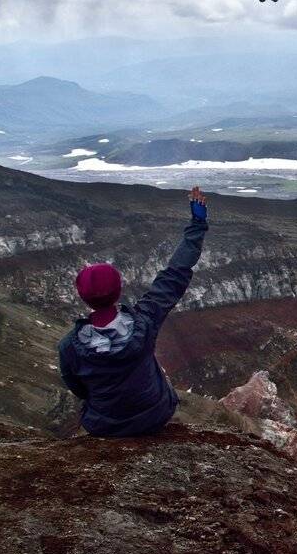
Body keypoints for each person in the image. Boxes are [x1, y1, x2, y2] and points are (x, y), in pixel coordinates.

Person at [57, 187, 209, 437]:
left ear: (83, 298)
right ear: (119, 290)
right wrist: (197, 224)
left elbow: (77, 387)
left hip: (105, 426)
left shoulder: (69, 347)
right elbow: (175, 273)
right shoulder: (144, 323)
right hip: (155, 415)